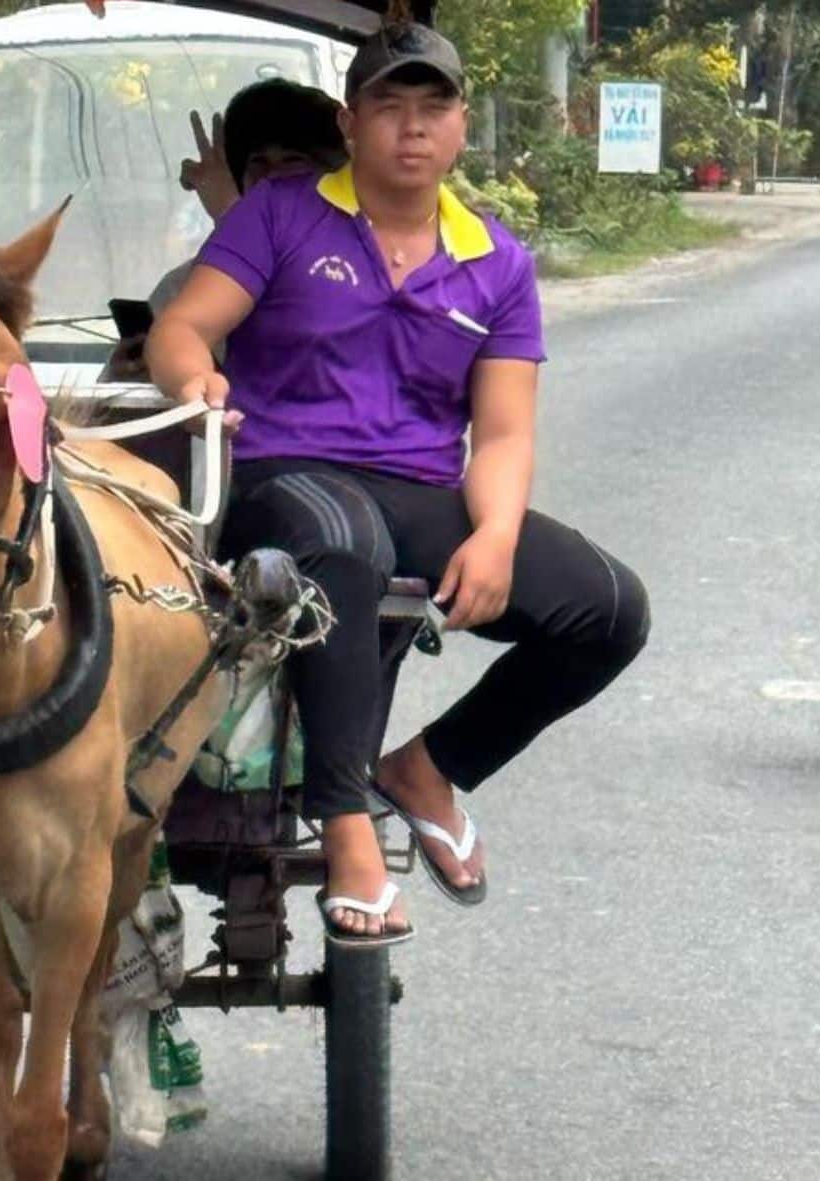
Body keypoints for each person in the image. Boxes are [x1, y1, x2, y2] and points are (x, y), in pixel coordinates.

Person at [146, 24, 650, 945]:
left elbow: (501, 431)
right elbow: (179, 328)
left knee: (607, 608)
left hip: (418, 488)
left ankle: (426, 766)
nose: (412, 129)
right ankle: (347, 829)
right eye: (389, 107)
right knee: (345, 546)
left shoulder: (497, 263)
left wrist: (494, 534)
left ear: (461, 129)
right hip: (278, 473)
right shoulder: (283, 214)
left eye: (433, 109)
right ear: (351, 123)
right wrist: (194, 381)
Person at [103, 78, 345, 381]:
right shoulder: (183, 287)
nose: (272, 177)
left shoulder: (364, 268)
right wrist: (122, 376)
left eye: (292, 161)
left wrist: (234, 221)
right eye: (257, 162)